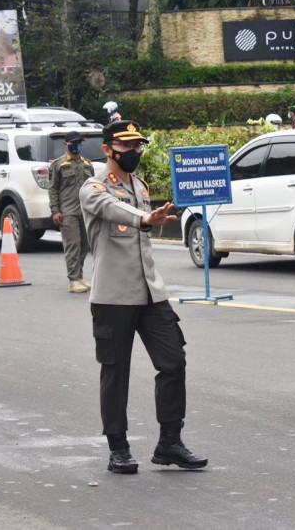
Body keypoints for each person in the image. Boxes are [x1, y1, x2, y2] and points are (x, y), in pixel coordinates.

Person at [79, 120, 207, 474]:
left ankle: (170, 442)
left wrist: (147, 215)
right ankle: (118, 448)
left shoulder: (140, 184)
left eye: (138, 146)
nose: (133, 152)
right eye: (126, 146)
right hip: (113, 296)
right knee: (115, 373)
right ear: (108, 150)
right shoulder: (92, 187)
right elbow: (111, 209)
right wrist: (144, 217)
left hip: (151, 294)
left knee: (173, 361)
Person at [48, 130, 95, 293]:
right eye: (73, 143)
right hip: (68, 212)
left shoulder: (88, 164)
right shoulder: (59, 164)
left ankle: (79, 277)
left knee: (84, 246)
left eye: (79, 142)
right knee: (73, 245)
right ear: (66, 145)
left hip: (86, 211)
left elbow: (94, 188)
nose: (77, 146)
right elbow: (52, 189)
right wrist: (55, 210)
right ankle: (73, 280)